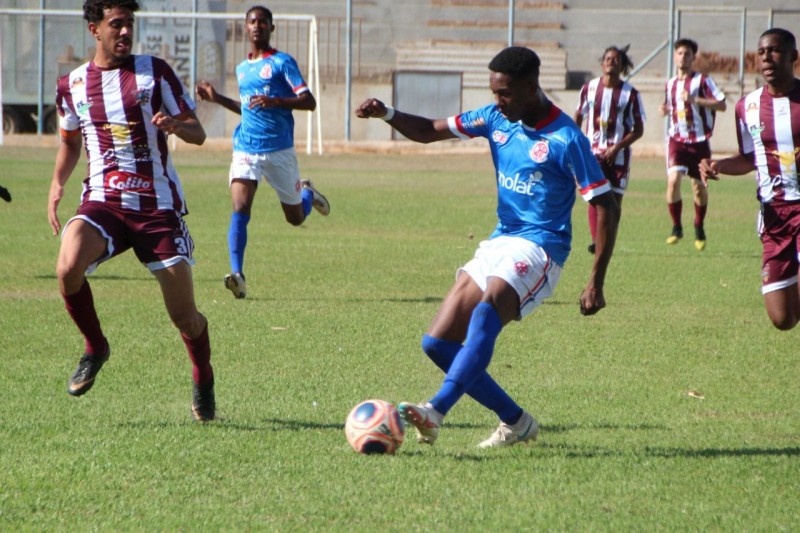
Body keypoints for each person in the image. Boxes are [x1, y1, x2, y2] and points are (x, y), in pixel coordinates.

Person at [355, 46, 620, 448]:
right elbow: (429, 130)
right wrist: (387, 113)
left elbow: (606, 205)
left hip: (541, 248)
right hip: (500, 239)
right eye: (494, 92)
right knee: (438, 343)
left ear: (532, 88)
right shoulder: (495, 118)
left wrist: (595, 280)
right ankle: (516, 421)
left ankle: (436, 411)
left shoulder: (567, 139)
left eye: (505, 93)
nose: (497, 101)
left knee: (486, 310)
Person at [48, 0, 216, 421]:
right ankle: (95, 346)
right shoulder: (72, 84)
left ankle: (203, 375)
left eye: (129, 25)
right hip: (103, 201)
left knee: (185, 317)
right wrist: (57, 183)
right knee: (67, 267)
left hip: (156, 207)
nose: (125, 33)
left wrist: (177, 126)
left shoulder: (153, 72)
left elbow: (198, 132)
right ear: (94, 29)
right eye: (116, 25)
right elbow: (69, 140)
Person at [195, 5, 329, 300]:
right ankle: (238, 274)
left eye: (263, 22)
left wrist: (276, 101)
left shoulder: (283, 63)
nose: (257, 26)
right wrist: (217, 99)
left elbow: (309, 102)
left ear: (271, 27)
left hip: (279, 150)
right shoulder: (243, 68)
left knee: (295, 218)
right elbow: (248, 107)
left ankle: (308, 194)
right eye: (252, 22)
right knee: (240, 207)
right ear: (246, 28)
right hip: (246, 148)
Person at [700, 28, 800, 331]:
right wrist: (717, 164)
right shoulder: (747, 107)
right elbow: (749, 158)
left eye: (775, 50)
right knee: (782, 319)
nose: (767, 57)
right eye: (761, 52)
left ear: (793, 57)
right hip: (774, 217)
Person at [574, 45, 645, 254]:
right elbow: (578, 115)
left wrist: (617, 147)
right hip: (592, 153)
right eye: (608, 58)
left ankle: (608, 239)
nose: (611, 62)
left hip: (619, 156)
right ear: (602, 63)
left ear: (622, 65)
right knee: (595, 197)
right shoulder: (589, 88)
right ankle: (597, 241)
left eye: (616, 59)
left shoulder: (630, 94)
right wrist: (576, 140)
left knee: (614, 202)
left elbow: (638, 130)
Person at [660, 38, 727, 250]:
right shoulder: (669, 84)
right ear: (674, 56)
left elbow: (722, 104)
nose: (683, 57)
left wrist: (695, 100)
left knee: (699, 189)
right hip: (676, 140)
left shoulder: (703, 81)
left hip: (699, 143)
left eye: (687, 54)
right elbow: (670, 106)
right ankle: (676, 226)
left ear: (693, 58)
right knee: (673, 181)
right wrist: (664, 110)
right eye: (679, 53)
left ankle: (699, 226)